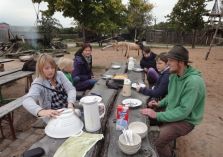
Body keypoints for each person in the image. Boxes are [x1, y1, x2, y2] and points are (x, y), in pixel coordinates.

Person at [140, 45, 206, 157]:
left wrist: (157, 115)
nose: (168, 63)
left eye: (170, 60)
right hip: (174, 110)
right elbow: (171, 96)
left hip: (186, 120)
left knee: (157, 141)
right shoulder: (174, 75)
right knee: (144, 115)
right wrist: (159, 103)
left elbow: (183, 111)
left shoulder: (193, 82)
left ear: (181, 62)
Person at [23, 54, 76, 121]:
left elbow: (71, 89)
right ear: (40, 69)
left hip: (66, 109)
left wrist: (70, 103)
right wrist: (42, 111)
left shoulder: (59, 74)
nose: (50, 70)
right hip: (53, 116)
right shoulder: (38, 83)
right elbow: (27, 100)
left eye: (52, 67)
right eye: (47, 68)